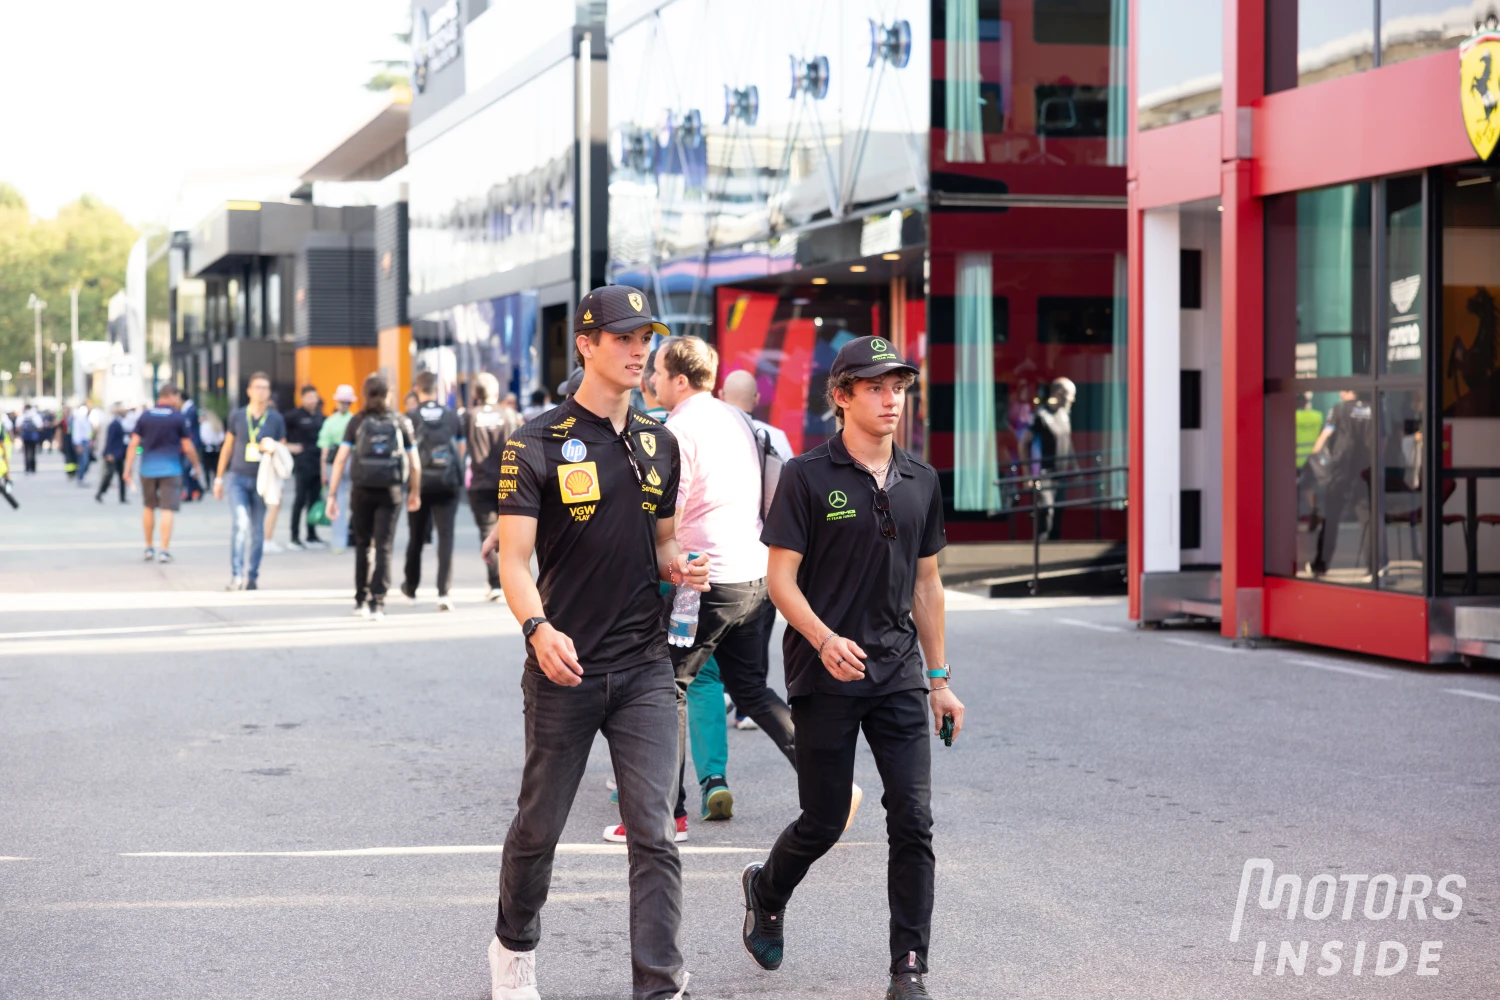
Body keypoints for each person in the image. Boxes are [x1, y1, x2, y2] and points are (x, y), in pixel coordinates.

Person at [478, 284, 705, 1000]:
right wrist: (537, 628)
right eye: (623, 338)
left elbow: (663, 540)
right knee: (539, 827)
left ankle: (660, 985)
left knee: (655, 833)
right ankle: (513, 949)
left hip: (643, 664)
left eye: (647, 339)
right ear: (586, 345)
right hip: (565, 665)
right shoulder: (534, 442)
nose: (641, 350)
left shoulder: (658, 441)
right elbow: (514, 560)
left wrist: (680, 566)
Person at [740, 335, 963, 1000]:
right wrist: (823, 637)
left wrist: (940, 680)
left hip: (896, 672)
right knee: (824, 816)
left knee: (913, 819)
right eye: (874, 386)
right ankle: (767, 887)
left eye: (897, 386)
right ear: (841, 396)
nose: (890, 398)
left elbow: (927, 586)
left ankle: (909, 967)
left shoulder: (923, 481)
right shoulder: (807, 477)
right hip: (823, 671)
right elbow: (780, 579)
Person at [625, 336, 803, 838]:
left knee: (669, 689)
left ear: (679, 379)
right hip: (753, 574)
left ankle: (670, 814)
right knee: (749, 687)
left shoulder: (679, 430)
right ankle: (825, 780)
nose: (650, 380)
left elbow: (670, 517)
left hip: (703, 581)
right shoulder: (735, 418)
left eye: (657, 371)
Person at [326, 374, 420, 619]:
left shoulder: (356, 421)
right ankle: (377, 603)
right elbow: (415, 464)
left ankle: (360, 600)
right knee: (384, 547)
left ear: (365, 395)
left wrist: (332, 494)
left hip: (362, 489)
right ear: (389, 394)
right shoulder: (401, 421)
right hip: (391, 491)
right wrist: (415, 492)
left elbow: (340, 460)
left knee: (362, 544)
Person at [214, 372, 287, 591]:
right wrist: (218, 478)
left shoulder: (275, 419)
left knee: (257, 531)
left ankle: (252, 575)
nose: (261, 391)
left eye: (265, 388)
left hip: (263, 480)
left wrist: (275, 447)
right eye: (257, 387)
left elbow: (284, 449)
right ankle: (236, 575)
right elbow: (227, 447)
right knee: (240, 524)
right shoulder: (238, 416)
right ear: (249, 391)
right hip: (238, 477)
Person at [402, 371, 465, 610]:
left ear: (417, 390)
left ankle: (411, 588)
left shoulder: (411, 416)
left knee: (416, 537)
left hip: (420, 484)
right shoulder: (451, 416)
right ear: (437, 390)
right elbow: (460, 450)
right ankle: (443, 593)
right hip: (447, 483)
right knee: (446, 537)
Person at [126, 385, 205, 564]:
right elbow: (187, 446)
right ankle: (164, 550)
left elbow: (133, 443)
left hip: (147, 468)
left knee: (148, 507)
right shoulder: (177, 418)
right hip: (171, 469)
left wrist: (127, 468)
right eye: (177, 397)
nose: (178, 401)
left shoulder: (145, 416)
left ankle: (148, 547)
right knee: (167, 509)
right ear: (170, 396)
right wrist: (196, 465)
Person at [464, 372, 511, 601]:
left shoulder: (470, 416)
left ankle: (495, 584)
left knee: (487, 530)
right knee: (512, 532)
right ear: (496, 392)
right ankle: (511, 581)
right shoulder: (509, 414)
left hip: (480, 481)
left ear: (475, 394)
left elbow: (463, 449)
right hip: (510, 480)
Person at [1019, 376, 1076, 540]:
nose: (1073, 399)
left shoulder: (1065, 414)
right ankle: (1039, 557)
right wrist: (1027, 473)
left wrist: (1075, 467)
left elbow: (1067, 443)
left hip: (1062, 475)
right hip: (1044, 475)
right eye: (1071, 395)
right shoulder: (1041, 415)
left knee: (1058, 516)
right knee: (1046, 515)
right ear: (1059, 393)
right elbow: (1023, 443)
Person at [283, 385, 327, 549]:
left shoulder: (321, 417)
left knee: (314, 500)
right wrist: (289, 446)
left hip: (317, 465)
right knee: (300, 500)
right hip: (302, 464)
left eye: (314, 397)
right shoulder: (294, 416)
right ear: (302, 398)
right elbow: (279, 433)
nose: (312, 400)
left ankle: (312, 535)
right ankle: (294, 536)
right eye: (309, 397)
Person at [720, 369, 795, 462]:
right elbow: (790, 474)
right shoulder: (776, 437)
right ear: (757, 399)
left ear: (721, 396)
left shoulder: (707, 432)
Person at [319, 383, 357, 552]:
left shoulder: (331, 422)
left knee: (336, 501)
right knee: (353, 502)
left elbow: (325, 451)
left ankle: (339, 541)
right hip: (350, 461)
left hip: (338, 462)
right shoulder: (355, 420)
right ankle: (349, 538)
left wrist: (324, 473)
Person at [95, 405, 130, 504]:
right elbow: (110, 440)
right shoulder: (114, 424)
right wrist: (108, 453)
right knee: (109, 475)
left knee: (122, 476)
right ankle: (100, 493)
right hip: (113, 454)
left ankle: (122, 497)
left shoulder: (119, 423)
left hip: (119, 454)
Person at [70, 401, 96, 485]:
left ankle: (81, 477)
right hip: (81, 442)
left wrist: (90, 440)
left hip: (86, 442)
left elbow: (88, 431)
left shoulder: (85, 418)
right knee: (83, 461)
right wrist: (78, 444)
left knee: (85, 461)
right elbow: (77, 433)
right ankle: (80, 478)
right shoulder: (79, 418)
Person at [18, 404, 42, 474]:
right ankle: (33, 468)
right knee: (33, 452)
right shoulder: (35, 415)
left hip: (25, 437)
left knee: (26, 452)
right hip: (33, 437)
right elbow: (40, 427)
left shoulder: (22, 415)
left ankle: (27, 468)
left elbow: (18, 426)